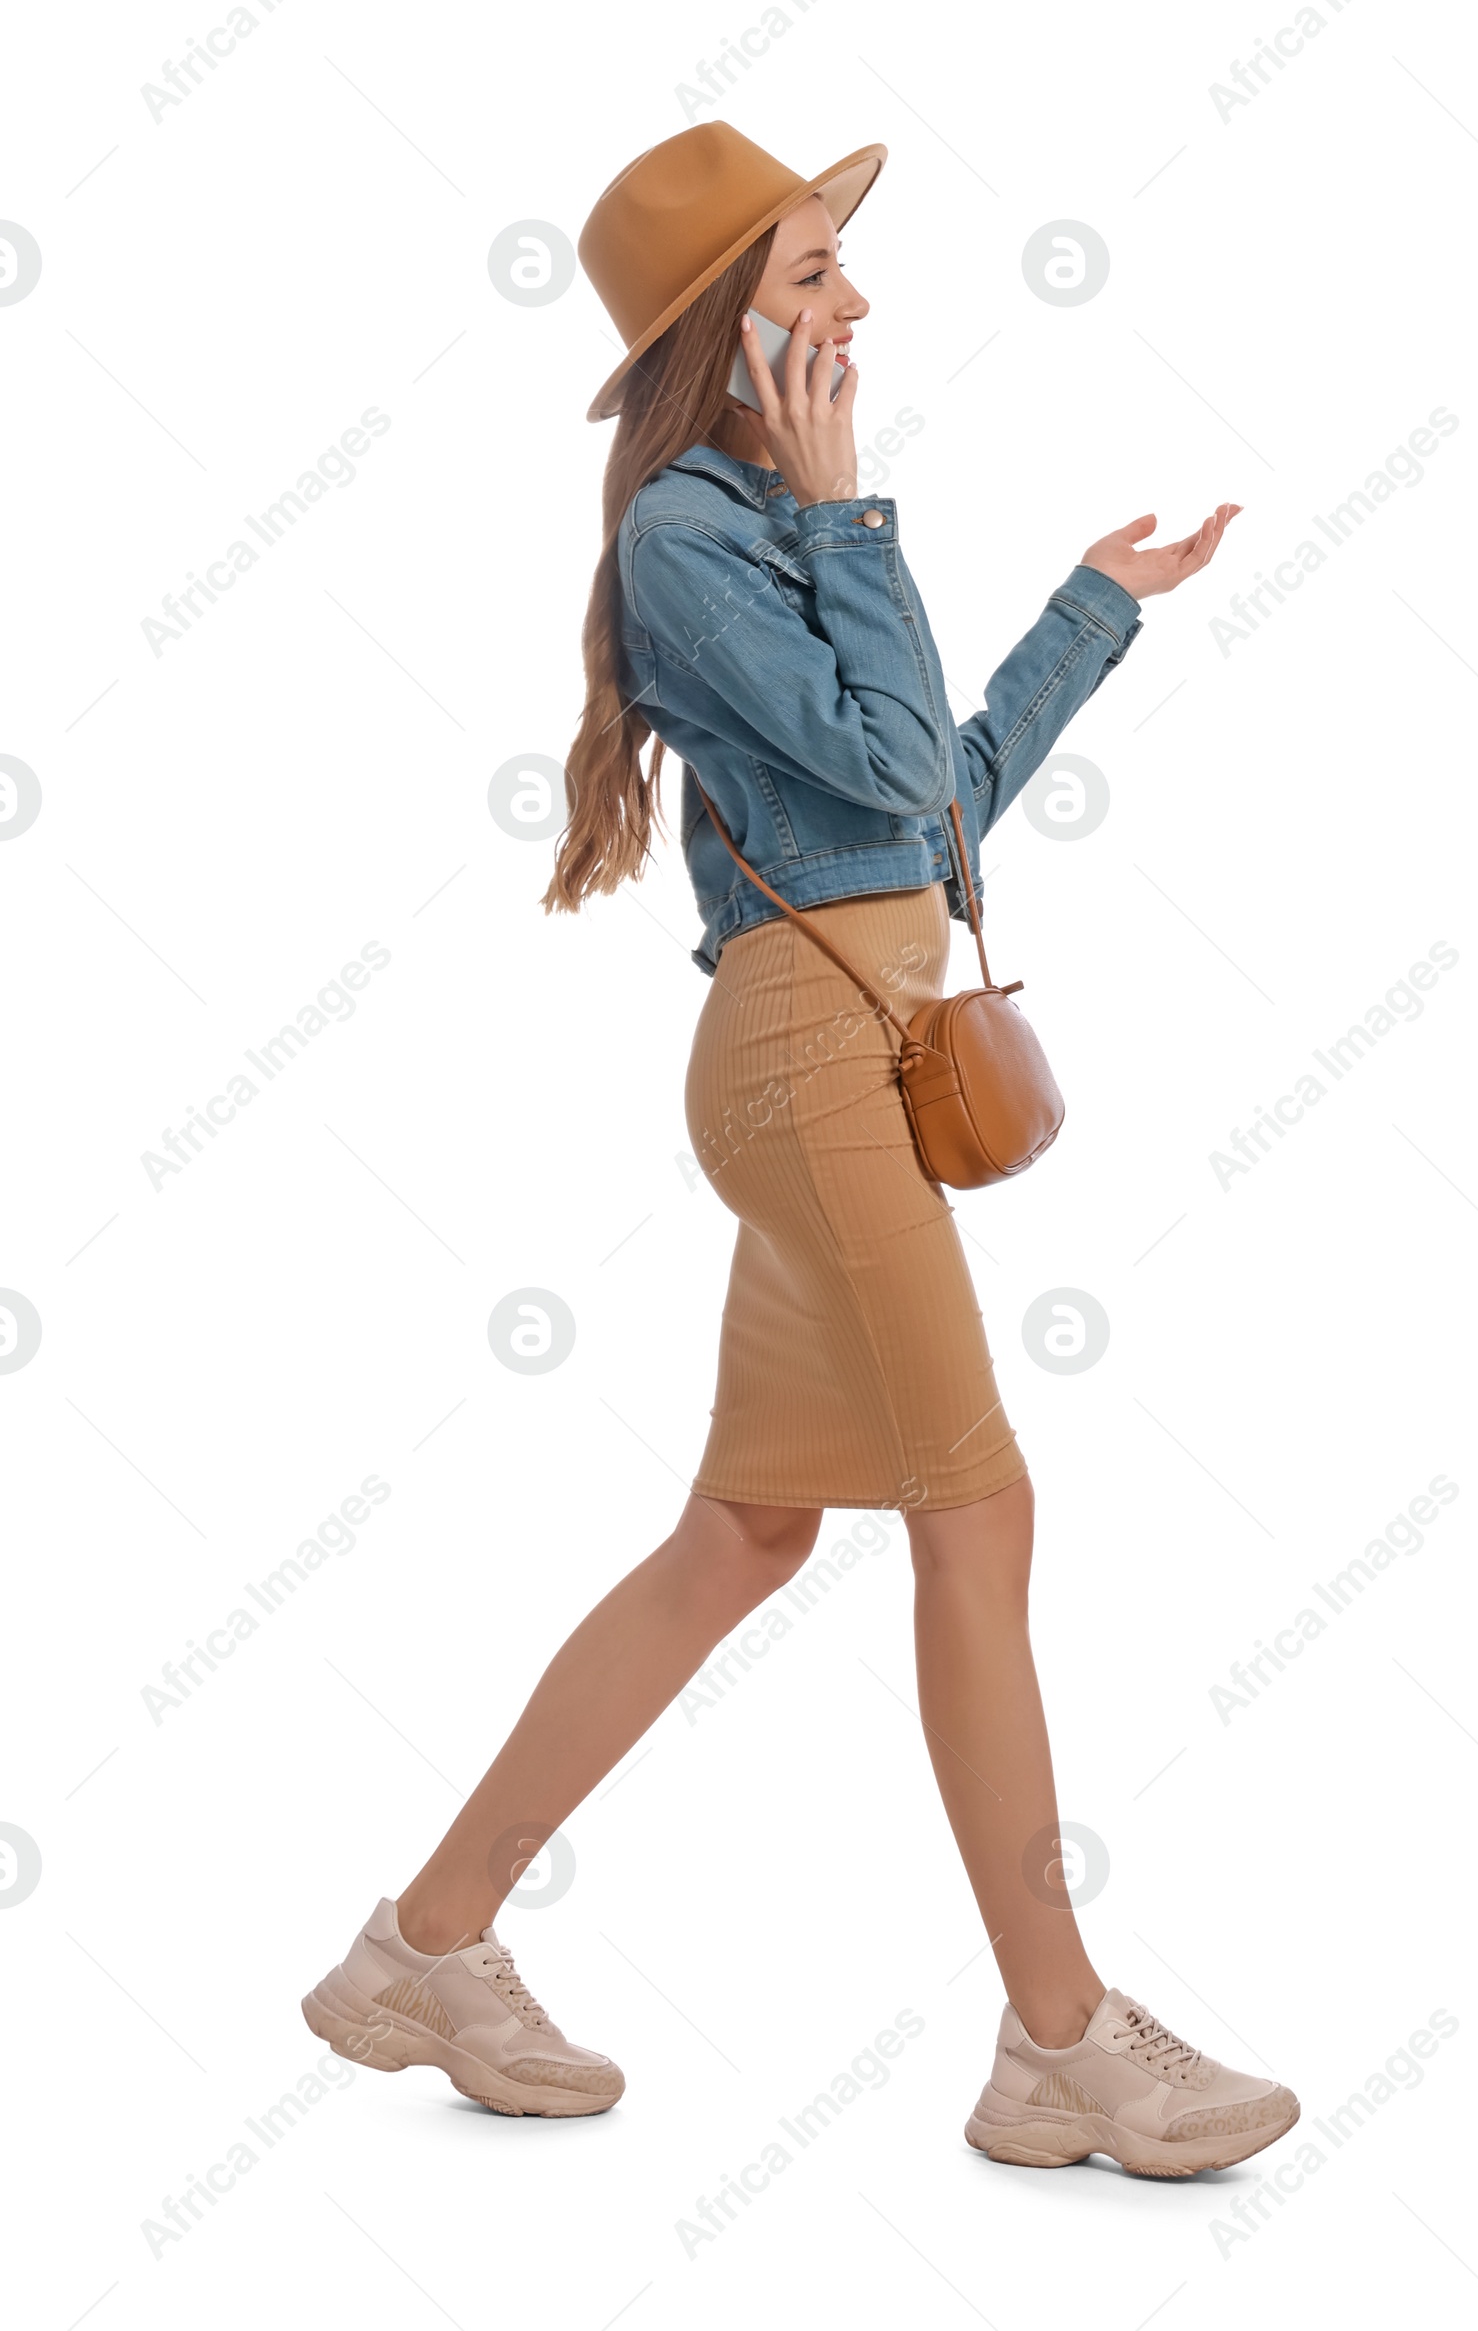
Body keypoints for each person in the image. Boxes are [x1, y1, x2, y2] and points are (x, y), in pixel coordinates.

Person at [303, 119, 1299, 2176]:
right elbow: (863, 756)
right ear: (724, 325)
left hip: (837, 1046)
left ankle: (419, 1946)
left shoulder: (780, 519)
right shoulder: (691, 532)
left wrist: (1086, 614)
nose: (853, 301)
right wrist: (848, 523)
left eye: (841, 266)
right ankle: (1058, 2042)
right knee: (976, 1510)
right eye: (813, 272)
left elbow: (925, 803)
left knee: (745, 1538)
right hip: (801, 1061)